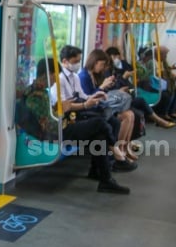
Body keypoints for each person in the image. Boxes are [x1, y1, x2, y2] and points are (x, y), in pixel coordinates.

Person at [33, 56, 131, 194]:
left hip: (62, 125)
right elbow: (47, 123)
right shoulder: (35, 95)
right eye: (55, 76)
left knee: (100, 135)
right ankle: (117, 156)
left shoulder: (41, 92)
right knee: (99, 122)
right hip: (57, 131)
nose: (56, 80)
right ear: (48, 75)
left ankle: (104, 178)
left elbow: (50, 113)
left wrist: (60, 108)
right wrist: (61, 111)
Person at [50, 45, 137, 173]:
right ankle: (115, 158)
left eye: (79, 61)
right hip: (70, 118)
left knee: (113, 122)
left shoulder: (74, 77)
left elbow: (83, 96)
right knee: (102, 122)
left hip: (79, 111)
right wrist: (86, 104)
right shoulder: (60, 80)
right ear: (64, 61)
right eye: (75, 62)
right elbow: (64, 106)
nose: (78, 64)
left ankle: (108, 162)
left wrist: (96, 95)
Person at [78, 49, 137, 161]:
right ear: (94, 62)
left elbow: (101, 94)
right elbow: (88, 98)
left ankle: (123, 148)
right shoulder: (83, 76)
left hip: (102, 106)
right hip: (93, 110)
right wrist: (102, 87)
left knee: (130, 114)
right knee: (127, 116)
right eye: (102, 64)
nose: (103, 68)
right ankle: (118, 152)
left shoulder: (95, 75)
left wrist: (108, 86)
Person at [105, 46, 175, 129]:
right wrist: (123, 78)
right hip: (117, 96)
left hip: (126, 90)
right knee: (139, 102)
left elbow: (131, 69)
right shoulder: (107, 72)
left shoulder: (122, 64)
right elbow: (111, 88)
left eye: (117, 56)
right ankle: (159, 120)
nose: (117, 59)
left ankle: (160, 118)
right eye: (114, 57)